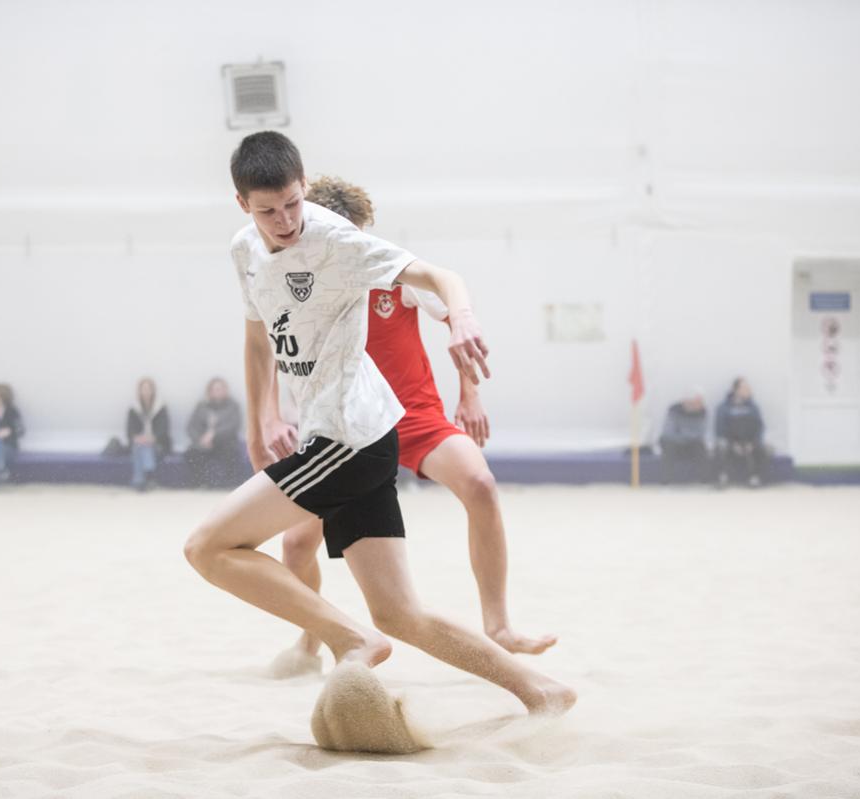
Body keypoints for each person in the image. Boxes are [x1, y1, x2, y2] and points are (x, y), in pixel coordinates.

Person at [183, 132, 574, 724]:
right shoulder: (244, 250)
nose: (285, 221)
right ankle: (541, 691)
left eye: (292, 202)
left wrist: (462, 320)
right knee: (400, 614)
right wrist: (261, 422)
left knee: (207, 547)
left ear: (304, 185)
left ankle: (349, 639)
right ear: (243, 205)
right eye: (268, 210)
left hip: (348, 437)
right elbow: (257, 339)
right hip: (352, 437)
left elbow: (443, 277)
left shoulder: (337, 240)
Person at [264, 175, 553, 672]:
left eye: (358, 237)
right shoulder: (298, 279)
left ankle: (499, 625)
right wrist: (271, 415)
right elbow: (271, 349)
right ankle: (311, 642)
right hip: (342, 426)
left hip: (412, 415)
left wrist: (470, 394)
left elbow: (454, 313)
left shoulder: (390, 269)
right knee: (295, 543)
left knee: (481, 484)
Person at [184, 377, 244, 488]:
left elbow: (233, 426)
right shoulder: (201, 406)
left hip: (224, 443)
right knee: (192, 453)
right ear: (209, 391)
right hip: (202, 443)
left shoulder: (233, 406)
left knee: (231, 453)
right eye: (215, 389)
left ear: (226, 390)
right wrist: (200, 439)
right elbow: (191, 427)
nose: (217, 392)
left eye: (220, 389)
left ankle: (228, 484)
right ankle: (200, 483)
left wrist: (214, 436)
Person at [714, 378, 767, 488]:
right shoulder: (724, 407)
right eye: (745, 388)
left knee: (762, 448)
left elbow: (759, 427)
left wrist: (752, 443)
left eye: (748, 388)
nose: (748, 390)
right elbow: (720, 429)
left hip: (749, 441)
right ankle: (722, 477)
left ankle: (755, 478)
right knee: (721, 446)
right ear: (736, 390)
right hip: (731, 441)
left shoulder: (753, 407)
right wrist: (733, 444)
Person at [127, 377, 172, 491]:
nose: (146, 391)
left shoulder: (160, 408)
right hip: (140, 443)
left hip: (158, 444)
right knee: (140, 447)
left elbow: (164, 429)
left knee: (144, 447)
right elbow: (130, 430)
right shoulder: (134, 409)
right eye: (143, 389)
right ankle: (148, 475)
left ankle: (139, 480)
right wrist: (138, 438)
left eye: (148, 389)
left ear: (153, 390)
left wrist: (152, 439)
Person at [658, 389, 709, 484]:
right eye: (697, 402)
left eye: (700, 402)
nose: (699, 405)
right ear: (687, 401)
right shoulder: (674, 411)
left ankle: (704, 479)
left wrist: (682, 432)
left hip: (691, 444)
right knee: (668, 445)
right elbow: (668, 432)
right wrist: (687, 435)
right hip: (674, 442)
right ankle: (665, 480)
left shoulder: (702, 412)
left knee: (700, 446)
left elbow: (700, 433)